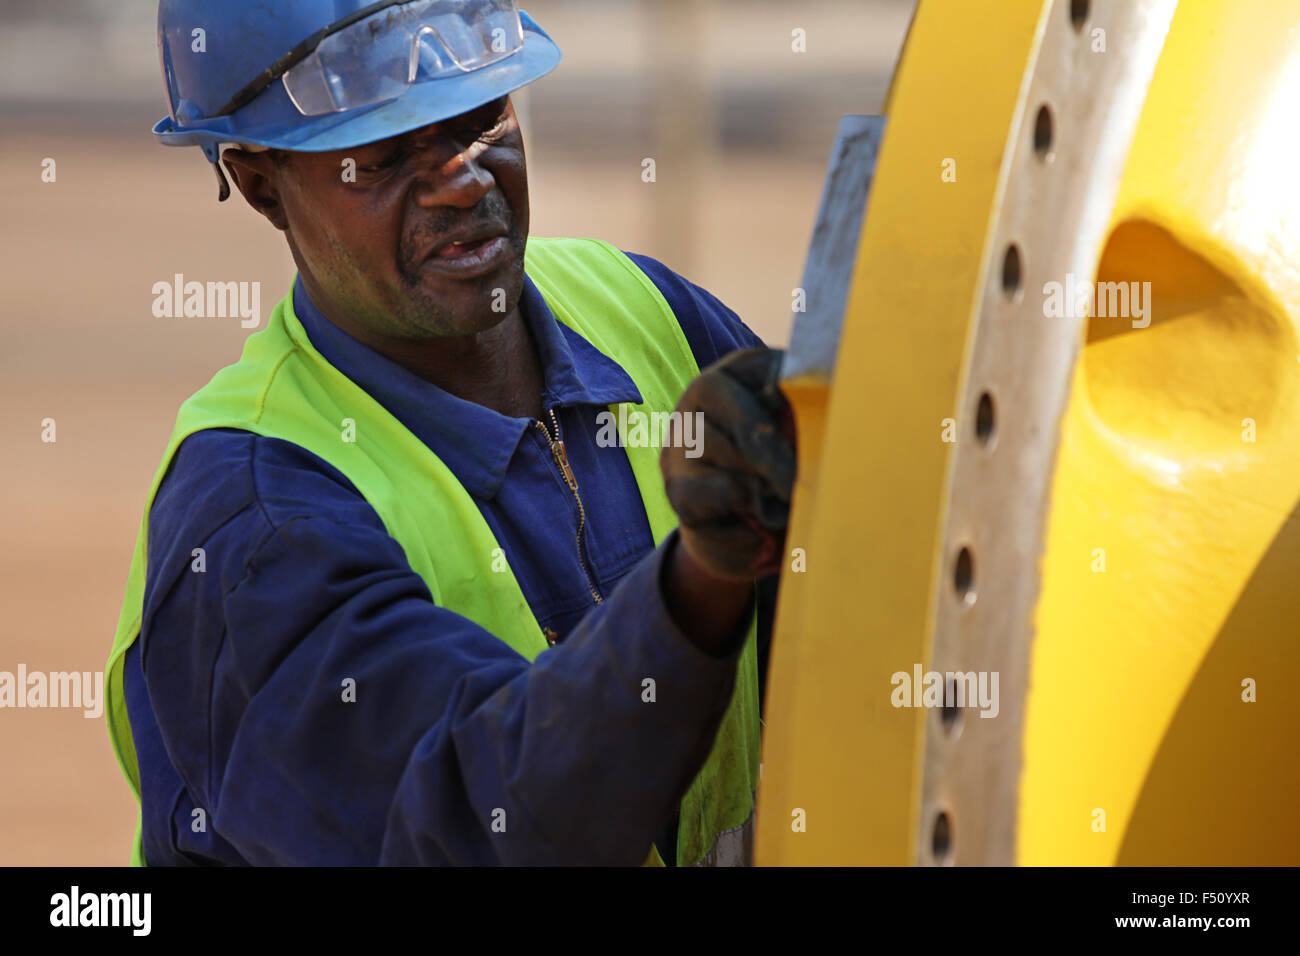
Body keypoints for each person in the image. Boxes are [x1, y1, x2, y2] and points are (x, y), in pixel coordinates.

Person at [106, 0, 795, 866]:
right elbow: (476, 824)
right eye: (385, 156)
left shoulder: (639, 307)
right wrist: (702, 581)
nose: (464, 179)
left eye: (479, 120)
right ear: (261, 185)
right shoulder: (257, 520)